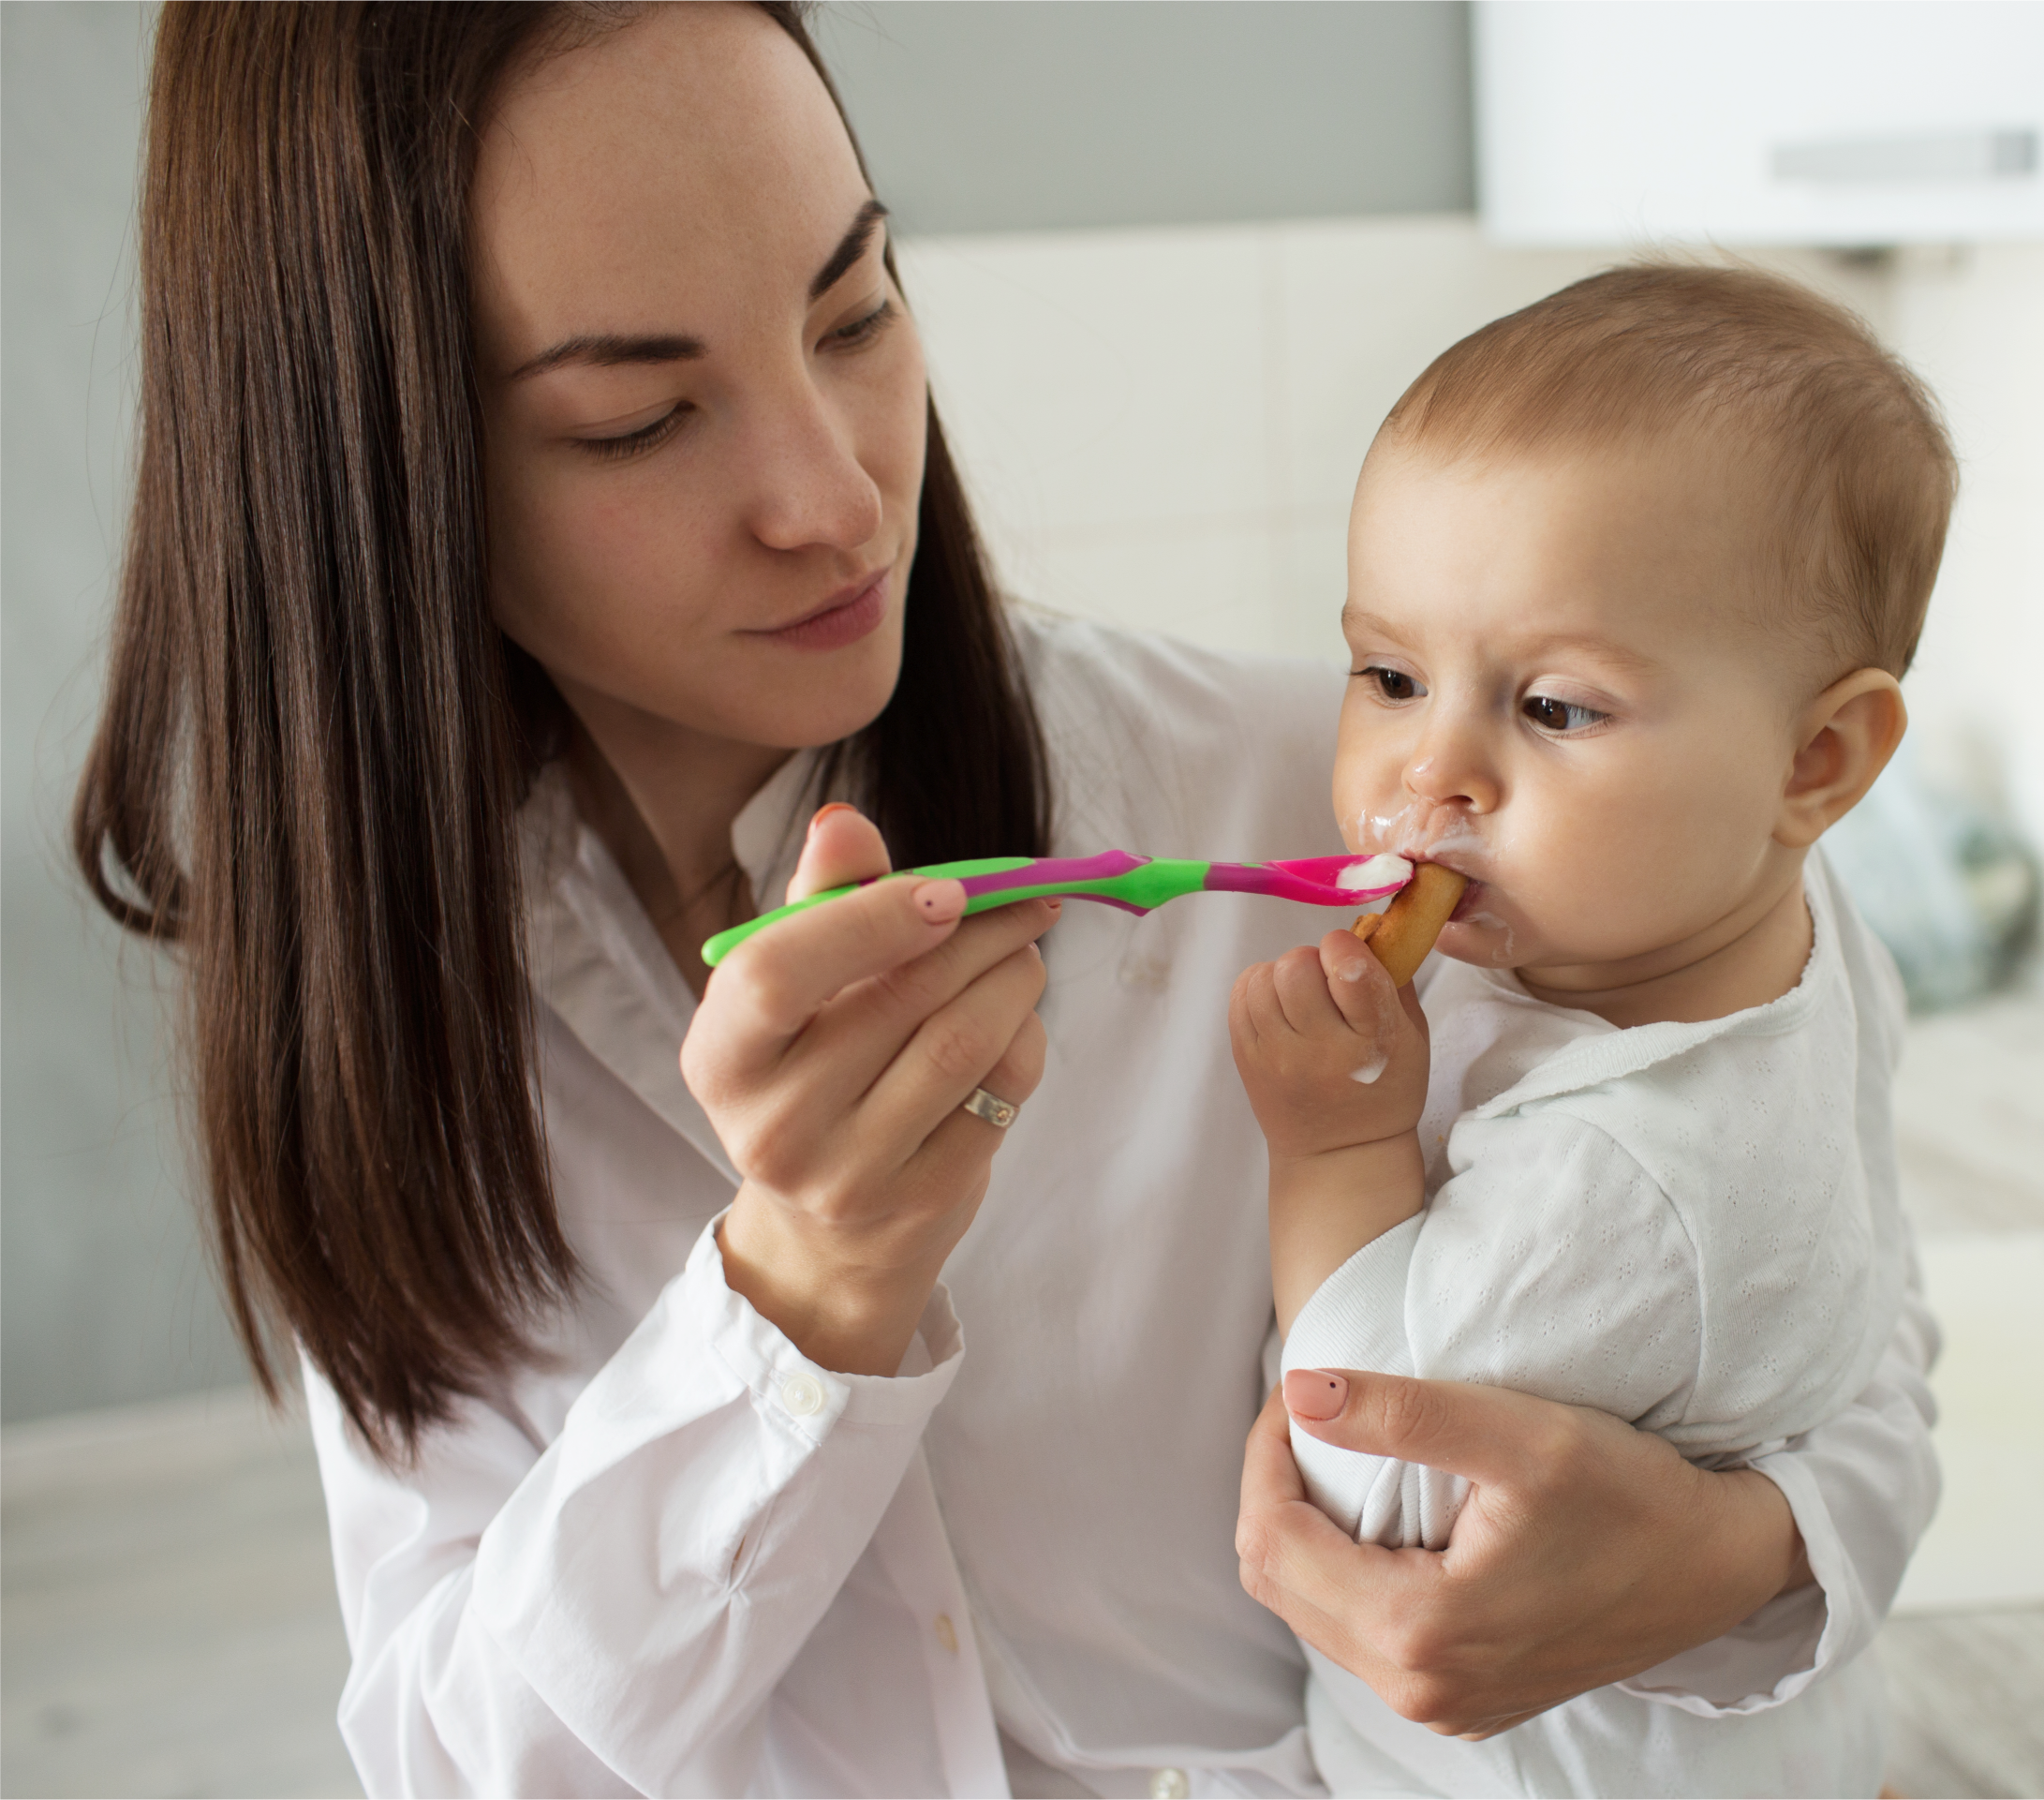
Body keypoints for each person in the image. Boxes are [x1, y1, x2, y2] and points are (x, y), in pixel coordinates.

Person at [71, 2, 1943, 1794]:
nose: (836, 498)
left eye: (856, 309)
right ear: (378, 474)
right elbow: (465, 1759)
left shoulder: (1421, 821)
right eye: (640, 419)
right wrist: (797, 1308)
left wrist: (1722, 1559)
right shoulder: (387, 1017)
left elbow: (1829, 1313)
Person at [1229, 265, 1951, 1798]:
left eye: (1554, 708)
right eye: (1389, 675)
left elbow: (1367, 1464)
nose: (1431, 775)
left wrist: (1335, 1142)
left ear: (1816, 760)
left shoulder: (1629, 1165)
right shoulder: (1796, 949)